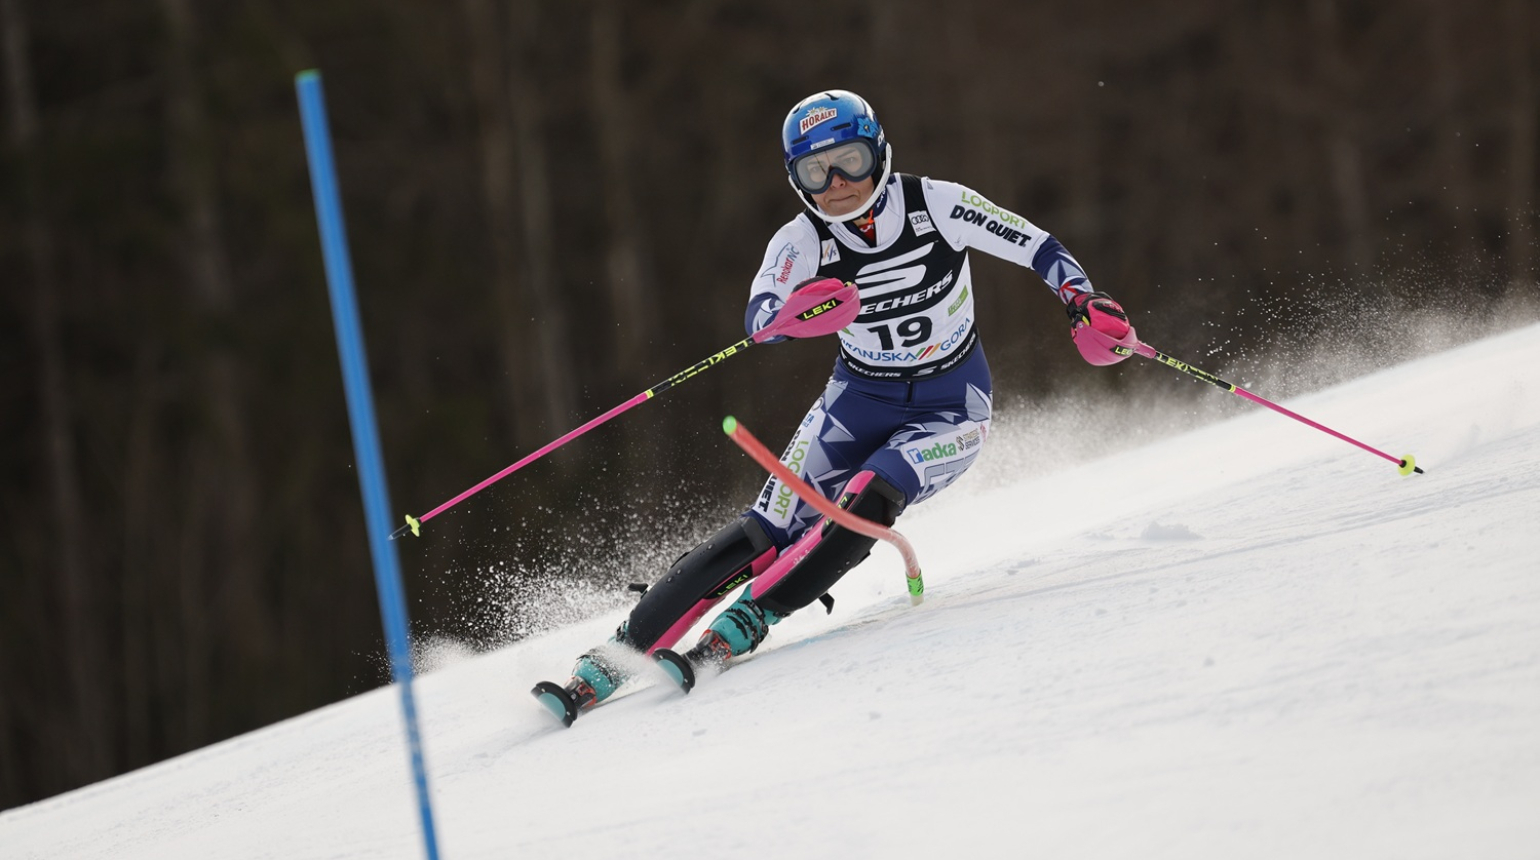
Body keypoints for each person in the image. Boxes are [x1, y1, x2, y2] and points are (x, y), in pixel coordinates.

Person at [534, 89, 1136, 723]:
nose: (838, 184)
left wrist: (1081, 299)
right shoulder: (802, 239)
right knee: (764, 530)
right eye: (815, 172)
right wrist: (796, 318)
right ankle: (612, 658)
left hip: (951, 407)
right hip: (855, 400)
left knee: (872, 493)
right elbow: (761, 316)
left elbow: (1036, 245)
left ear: (877, 150)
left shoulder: (937, 203)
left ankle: (750, 619)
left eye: (849, 159)